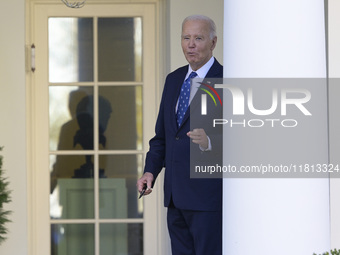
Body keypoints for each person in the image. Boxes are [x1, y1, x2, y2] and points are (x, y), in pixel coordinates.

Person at [137, 15, 223, 255]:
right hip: (175, 198)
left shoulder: (227, 81)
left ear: (213, 42)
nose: (191, 44)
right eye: (186, 38)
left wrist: (209, 143)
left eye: (198, 38)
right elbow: (163, 137)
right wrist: (150, 171)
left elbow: (242, 142)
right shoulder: (173, 80)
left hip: (208, 200)